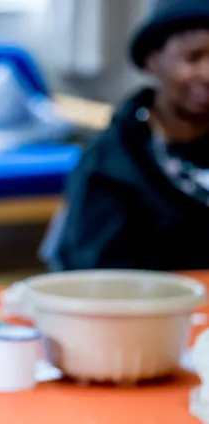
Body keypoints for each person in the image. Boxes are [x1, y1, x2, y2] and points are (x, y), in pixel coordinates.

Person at [55, 0, 209, 271]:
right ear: (153, 62)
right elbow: (90, 267)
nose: (207, 74)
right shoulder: (112, 159)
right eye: (193, 58)